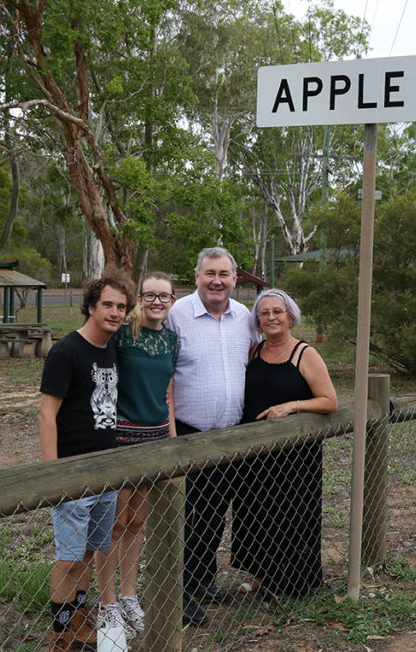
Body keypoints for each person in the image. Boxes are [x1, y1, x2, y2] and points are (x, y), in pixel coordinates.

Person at [38, 274, 135, 651]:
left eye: (121, 307)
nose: (115, 312)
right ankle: (61, 635)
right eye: (108, 305)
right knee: (68, 560)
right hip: (73, 474)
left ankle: (78, 627)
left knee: (91, 552)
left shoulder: (110, 349)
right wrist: (54, 474)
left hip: (105, 471)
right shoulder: (66, 352)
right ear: (91, 306)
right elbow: (47, 414)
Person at [166, 247, 256, 626]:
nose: (216, 280)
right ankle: (178, 593)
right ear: (197, 276)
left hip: (231, 436)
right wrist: (170, 438)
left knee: (215, 513)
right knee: (185, 517)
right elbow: (164, 377)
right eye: (209, 273)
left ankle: (203, 579)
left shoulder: (245, 318)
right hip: (188, 433)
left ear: (235, 279)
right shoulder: (176, 315)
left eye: (224, 273)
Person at [231, 288, 338, 597]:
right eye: (264, 313)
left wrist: (293, 406)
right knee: (255, 512)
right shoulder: (254, 351)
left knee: (291, 513)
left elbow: (329, 400)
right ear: (258, 320)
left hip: (295, 456)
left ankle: (292, 582)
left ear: (291, 317)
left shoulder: (305, 354)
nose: (271, 317)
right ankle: (264, 575)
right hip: (255, 454)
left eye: (277, 311)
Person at [98, 272, 179, 636]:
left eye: (164, 296)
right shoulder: (122, 336)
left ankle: (130, 596)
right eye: (150, 295)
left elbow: (168, 394)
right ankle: (108, 603)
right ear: (140, 299)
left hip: (156, 439)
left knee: (136, 522)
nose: (157, 302)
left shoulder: (172, 341)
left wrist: (173, 442)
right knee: (112, 524)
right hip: (122, 439)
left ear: (173, 301)